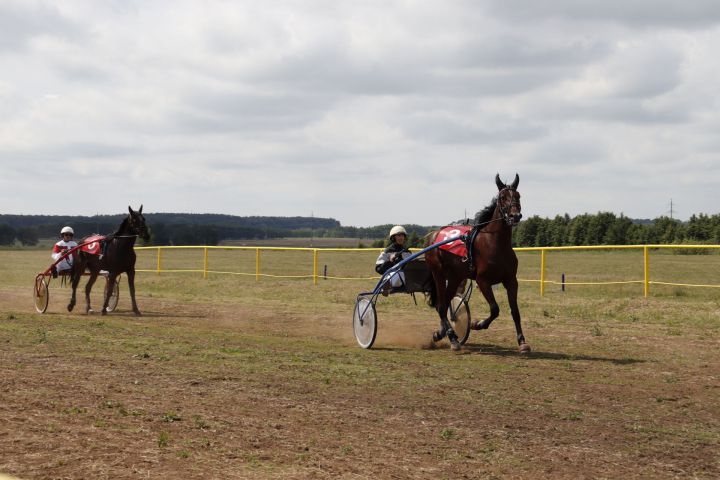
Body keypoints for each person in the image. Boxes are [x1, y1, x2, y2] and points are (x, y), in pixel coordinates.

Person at [375, 225, 412, 295]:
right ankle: (386, 286)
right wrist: (389, 261)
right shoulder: (387, 252)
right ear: (393, 237)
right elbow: (379, 269)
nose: (401, 237)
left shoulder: (407, 252)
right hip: (391, 277)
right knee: (396, 274)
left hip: (405, 279)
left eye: (402, 235)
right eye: (398, 235)